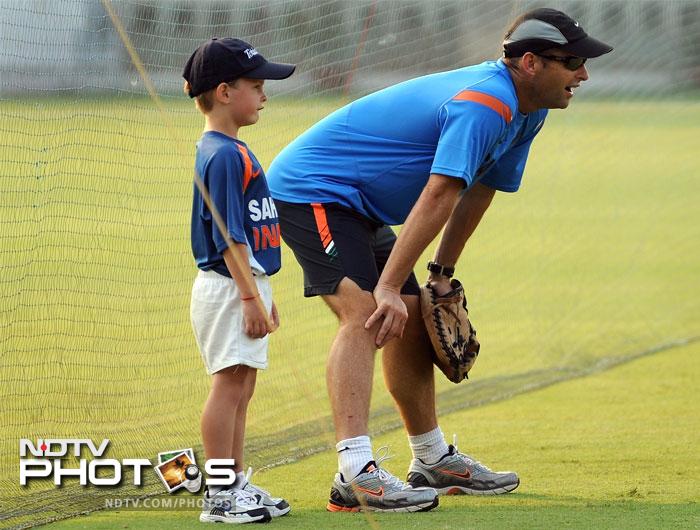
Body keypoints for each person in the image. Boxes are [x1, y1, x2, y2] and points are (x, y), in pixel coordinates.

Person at [266, 8, 612, 512]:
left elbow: (480, 190)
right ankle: (354, 473)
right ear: (531, 63)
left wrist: (440, 275)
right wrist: (384, 287)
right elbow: (439, 195)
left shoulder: (529, 111)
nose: (583, 74)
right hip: (312, 191)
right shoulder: (486, 104)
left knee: (406, 311)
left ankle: (430, 457)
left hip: (358, 203)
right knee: (365, 314)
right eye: (574, 62)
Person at [183, 37, 295, 524]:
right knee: (228, 387)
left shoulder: (231, 148)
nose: (264, 94)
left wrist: (260, 293)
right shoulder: (224, 154)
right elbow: (229, 234)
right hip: (229, 285)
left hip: (243, 284)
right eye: (256, 85)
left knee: (242, 387)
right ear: (225, 92)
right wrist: (249, 296)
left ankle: (235, 482)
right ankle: (220, 495)